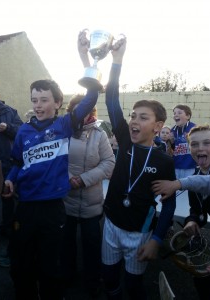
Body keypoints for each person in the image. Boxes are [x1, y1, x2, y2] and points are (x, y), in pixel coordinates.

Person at [2, 32, 100, 300]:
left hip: (54, 209)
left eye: (44, 100)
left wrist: (84, 56)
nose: (38, 105)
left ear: (57, 103)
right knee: (21, 266)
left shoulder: (64, 125)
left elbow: (92, 96)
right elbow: (18, 163)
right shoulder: (23, 131)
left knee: (50, 269)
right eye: (34, 100)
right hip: (25, 208)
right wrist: (10, 181)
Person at [97, 37, 176, 300]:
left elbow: (170, 205)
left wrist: (156, 239)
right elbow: (111, 101)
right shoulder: (124, 142)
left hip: (140, 234)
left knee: (133, 286)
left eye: (143, 117)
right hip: (111, 225)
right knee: (109, 279)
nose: (134, 120)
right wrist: (117, 61)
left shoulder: (164, 161)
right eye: (133, 115)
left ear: (158, 126)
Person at [63, 94, 115, 297]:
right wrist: (68, 178)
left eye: (86, 110)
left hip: (92, 203)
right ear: (72, 112)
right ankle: (67, 276)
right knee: (66, 243)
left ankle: (92, 280)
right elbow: (55, 159)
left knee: (92, 245)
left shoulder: (99, 134)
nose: (82, 114)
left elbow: (109, 163)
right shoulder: (62, 132)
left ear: (92, 112)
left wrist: (83, 179)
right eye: (77, 110)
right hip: (65, 200)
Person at [153, 125, 210, 300]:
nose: (200, 148)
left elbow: (204, 183)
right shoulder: (197, 173)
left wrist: (177, 184)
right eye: (194, 144)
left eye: (207, 143)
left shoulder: (194, 179)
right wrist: (192, 221)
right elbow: (196, 210)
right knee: (202, 282)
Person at [0, 78, 23, 245]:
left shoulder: (9, 111)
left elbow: (22, 132)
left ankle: (7, 228)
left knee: (8, 198)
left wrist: (7, 128)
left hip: (7, 162)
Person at [171, 104, 196, 179]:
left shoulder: (193, 128)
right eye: (174, 113)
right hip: (176, 166)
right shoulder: (172, 131)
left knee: (189, 188)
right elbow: (173, 149)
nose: (176, 115)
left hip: (190, 166)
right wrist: (171, 142)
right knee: (177, 189)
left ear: (188, 116)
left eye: (179, 113)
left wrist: (190, 139)